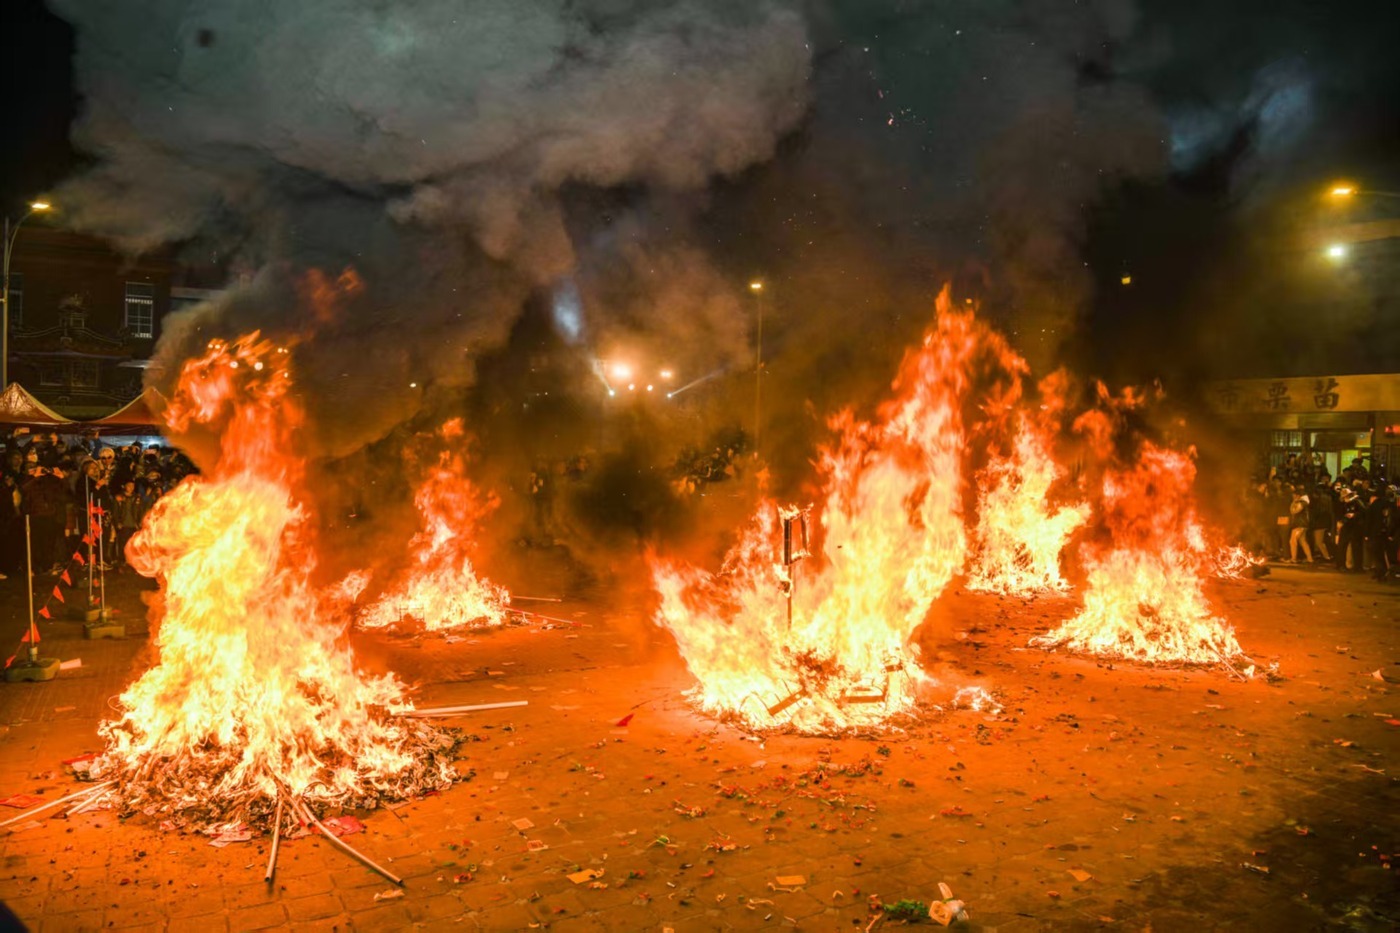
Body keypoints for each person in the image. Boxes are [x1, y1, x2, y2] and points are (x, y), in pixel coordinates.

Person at [1308, 476, 1335, 563]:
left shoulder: (1320, 500)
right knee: (1322, 541)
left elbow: (1317, 512)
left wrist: (1313, 520)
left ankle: (1327, 557)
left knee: (1318, 541)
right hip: (1326, 521)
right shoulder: (1328, 498)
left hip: (1320, 522)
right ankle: (1326, 555)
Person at [1287, 485, 1313, 563]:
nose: (1293, 496)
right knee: (1303, 541)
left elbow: (1294, 511)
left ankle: (1293, 558)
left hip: (1299, 524)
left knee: (1292, 540)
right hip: (1303, 525)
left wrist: (1293, 502)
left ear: (1298, 495)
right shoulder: (1304, 502)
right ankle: (1310, 559)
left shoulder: (1301, 503)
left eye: (1294, 495)